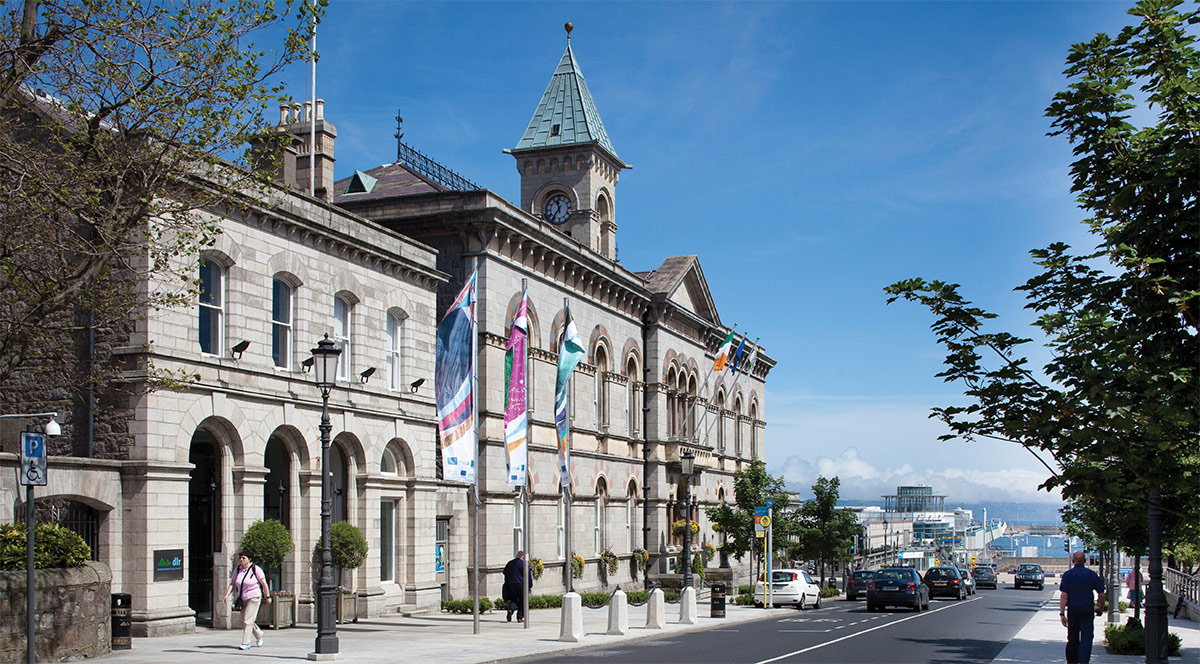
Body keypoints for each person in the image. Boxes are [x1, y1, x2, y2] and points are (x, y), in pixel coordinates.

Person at [1059, 550, 1106, 664]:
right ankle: (1084, 661)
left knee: (1072, 638)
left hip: (1073, 610)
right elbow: (1101, 594)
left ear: (1073, 561)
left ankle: (1072, 661)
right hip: (1087, 609)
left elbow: (1064, 595)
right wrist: (1100, 608)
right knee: (1086, 637)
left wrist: (1062, 613)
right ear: (1085, 561)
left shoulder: (1068, 575)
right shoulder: (1091, 574)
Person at [222, 551, 272, 650]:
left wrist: (267, 596)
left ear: (249, 559)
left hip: (254, 597)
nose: (241, 560)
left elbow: (264, 584)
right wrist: (226, 595)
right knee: (246, 620)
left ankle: (246, 643)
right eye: (240, 558)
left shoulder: (256, 569)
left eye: (243, 558)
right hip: (242, 598)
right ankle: (259, 634)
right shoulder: (238, 570)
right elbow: (233, 584)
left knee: (247, 621)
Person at [502, 551, 533, 623]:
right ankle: (520, 617)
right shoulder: (523, 564)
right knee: (523, 600)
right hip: (520, 584)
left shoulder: (510, 563)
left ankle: (511, 609)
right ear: (523, 556)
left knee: (514, 599)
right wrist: (530, 586)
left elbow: (505, 572)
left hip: (510, 584)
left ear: (516, 555)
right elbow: (528, 576)